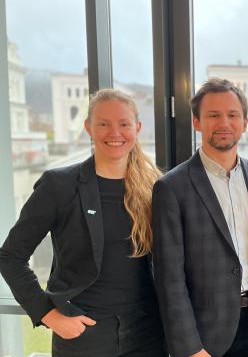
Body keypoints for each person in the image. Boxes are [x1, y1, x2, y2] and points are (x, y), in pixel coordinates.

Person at [0, 89, 166, 356]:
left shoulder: (156, 188)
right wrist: (47, 314)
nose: (115, 133)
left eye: (124, 124)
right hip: (84, 336)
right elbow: (10, 256)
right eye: (103, 124)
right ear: (88, 127)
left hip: (147, 335)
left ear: (137, 128)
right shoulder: (59, 186)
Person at [151, 78, 248, 357]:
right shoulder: (171, 187)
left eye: (232, 115)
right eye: (213, 115)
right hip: (202, 330)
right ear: (197, 122)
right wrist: (189, 346)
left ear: (244, 122)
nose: (223, 123)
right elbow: (169, 278)